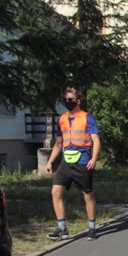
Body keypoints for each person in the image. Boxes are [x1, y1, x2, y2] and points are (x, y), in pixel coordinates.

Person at [45, 88, 101, 241]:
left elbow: (95, 140)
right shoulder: (62, 119)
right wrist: (50, 161)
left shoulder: (87, 118)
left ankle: (91, 228)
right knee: (56, 191)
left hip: (82, 160)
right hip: (66, 161)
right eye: (65, 100)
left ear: (78, 101)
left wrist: (94, 157)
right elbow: (58, 143)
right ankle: (62, 228)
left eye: (70, 99)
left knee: (87, 195)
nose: (67, 102)